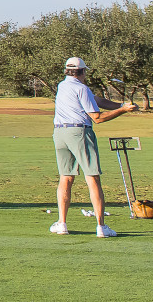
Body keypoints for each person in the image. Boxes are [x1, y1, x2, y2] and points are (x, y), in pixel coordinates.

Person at [51, 56, 138, 238]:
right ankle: (101, 227)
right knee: (93, 178)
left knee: (65, 178)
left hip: (60, 134)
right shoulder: (81, 88)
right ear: (82, 72)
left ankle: (62, 224)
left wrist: (120, 104)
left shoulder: (62, 86)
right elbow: (97, 118)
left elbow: (95, 99)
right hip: (80, 133)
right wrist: (122, 111)